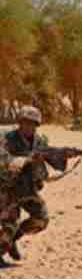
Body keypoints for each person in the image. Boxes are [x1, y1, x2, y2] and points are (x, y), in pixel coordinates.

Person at [0, 106, 50, 264]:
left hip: (27, 188)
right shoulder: (6, 138)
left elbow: (43, 170)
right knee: (9, 226)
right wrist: (23, 160)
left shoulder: (40, 141)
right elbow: (3, 160)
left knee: (41, 219)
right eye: (25, 122)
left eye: (32, 123)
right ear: (19, 123)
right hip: (7, 189)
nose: (28, 126)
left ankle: (12, 240)